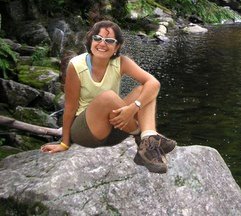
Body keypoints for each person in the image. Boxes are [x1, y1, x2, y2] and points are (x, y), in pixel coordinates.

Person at [41, 20, 175, 173]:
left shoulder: (121, 62)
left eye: (109, 40)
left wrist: (133, 107)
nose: (102, 44)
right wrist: (64, 143)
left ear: (116, 47)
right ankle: (147, 138)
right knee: (108, 97)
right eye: (97, 38)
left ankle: (147, 142)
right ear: (91, 40)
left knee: (144, 90)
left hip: (114, 127)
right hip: (86, 130)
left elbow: (154, 83)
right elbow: (70, 108)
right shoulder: (76, 65)